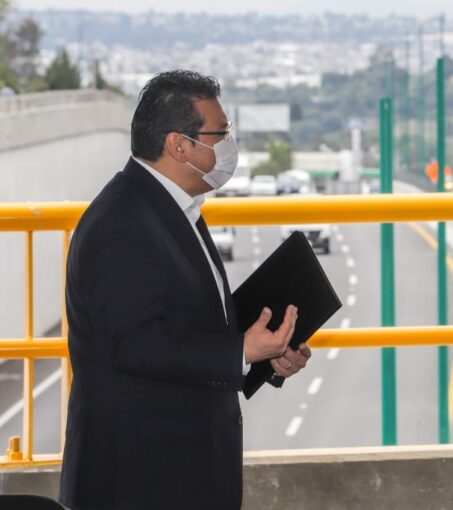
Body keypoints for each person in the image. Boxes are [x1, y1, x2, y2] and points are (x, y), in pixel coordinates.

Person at [59, 70, 311, 510]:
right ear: (178, 144)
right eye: (220, 133)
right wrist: (240, 352)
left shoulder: (175, 208)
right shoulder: (120, 223)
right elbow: (133, 344)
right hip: (141, 479)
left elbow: (192, 323)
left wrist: (263, 355)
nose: (229, 146)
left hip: (183, 469)